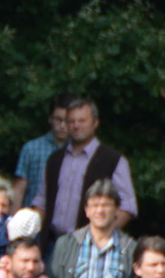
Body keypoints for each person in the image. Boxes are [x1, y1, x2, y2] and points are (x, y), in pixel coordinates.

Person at [32, 96, 137, 238]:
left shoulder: (114, 160)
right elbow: (41, 203)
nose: (76, 126)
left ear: (95, 122)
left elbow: (127, 207)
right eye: (71, 121)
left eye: (82, 121)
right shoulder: (54, 160)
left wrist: (100, 237)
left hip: (90, 244)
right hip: (52, 243)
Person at [12, 94, 73, 210]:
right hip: (33, 215)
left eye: (67, 121)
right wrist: (12, 218)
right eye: (58, 119)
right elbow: (19, 189)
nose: (62, 126)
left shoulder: (79, 151)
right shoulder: (31, 149)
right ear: (50, 119)